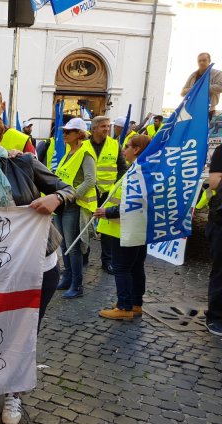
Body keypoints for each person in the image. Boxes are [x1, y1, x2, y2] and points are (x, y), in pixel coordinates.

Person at [0, 110, 74, 424]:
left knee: (24, 329)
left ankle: (13, 393)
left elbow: (69, 189)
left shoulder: (22, 164)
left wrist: (56, 199)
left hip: (38, 264)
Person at [94, 134, 151, 320]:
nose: (123, 150)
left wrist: (107, 212)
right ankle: (135, 304)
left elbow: (133, 202)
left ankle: (124, 307)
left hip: (126, 228)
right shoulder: (144, 168)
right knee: (135, 267)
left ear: (136, 150)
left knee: (122, 268)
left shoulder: (137, 171)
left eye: (127, 146)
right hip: (137, 228)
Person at [53, 117, 97, 299]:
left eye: (68, 131)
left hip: (73, 205)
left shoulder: (85, 152)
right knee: (64, 244)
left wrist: (70, 196)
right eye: (64, 131)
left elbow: (90, 180)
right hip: (62, 204)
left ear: (79, 134)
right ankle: (67, 277)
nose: (64, 134)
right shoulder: (70, 151)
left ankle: (77, 285)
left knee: (73, 247)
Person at [84, 116, 127, 274]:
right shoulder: (83, 144)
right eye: (103, 126)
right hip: (89, 191)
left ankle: (107, 261)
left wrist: (116, 186)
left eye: (108, 126)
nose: (107, 129)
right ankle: (83, 257)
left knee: (107, 228)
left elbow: (123, 168)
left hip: (108, 192)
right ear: (93, 128)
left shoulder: (115, 144)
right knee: (86, 225)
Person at [204, 144, 222, 335]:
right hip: (220, 222)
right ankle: (215, 317)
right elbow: (215, 181)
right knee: (220, 272)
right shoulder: (221, 151)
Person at [181, 52, 222, 121]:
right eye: (199, 61)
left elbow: (220, 87)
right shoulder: (193, 75)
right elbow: (183, 92)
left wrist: (202, 88)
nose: (201, 63)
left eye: (204, 60)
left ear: (209, 61)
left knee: (201, 131)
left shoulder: (217, 73)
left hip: (208, 110)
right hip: (190, 110)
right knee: (191, 131)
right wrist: (194, 89)